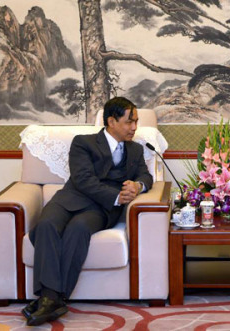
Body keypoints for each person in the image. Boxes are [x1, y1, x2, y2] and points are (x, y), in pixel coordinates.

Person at [22, 97, 153, 326]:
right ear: (111, 121)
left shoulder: (135, 150)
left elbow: (146, 176)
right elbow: (82, 179)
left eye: (136, 122)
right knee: (45, 226)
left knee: (78, 229)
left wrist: (137, 186)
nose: (134, 127)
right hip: (71, 199)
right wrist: (115, 195)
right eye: (129, 122)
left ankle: (50, 298)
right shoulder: (83, 142)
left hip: (101, 209)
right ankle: (52, 299)